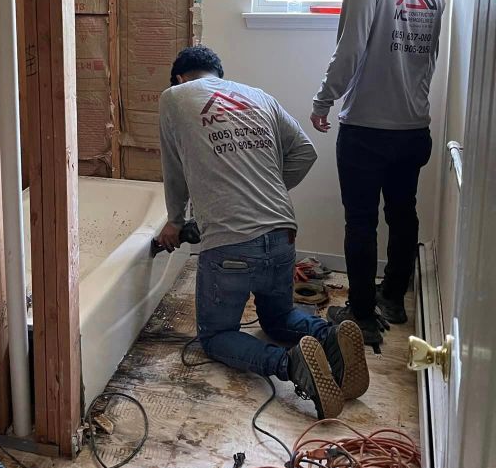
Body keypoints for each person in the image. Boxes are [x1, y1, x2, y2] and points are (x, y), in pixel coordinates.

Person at [158, 45, 369, 421]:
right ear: (218, 74)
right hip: (282, 232)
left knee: (216, 337)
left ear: (179, 78)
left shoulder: (174, 98)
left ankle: (290, 365)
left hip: (231, 245)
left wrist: (175, 220)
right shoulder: (259, 97)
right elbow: (305, 152)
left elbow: (174, 168)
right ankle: (329, 336)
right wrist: (265, 190)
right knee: (279, 317)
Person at [311, 0, 445, 347]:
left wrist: (323, 100)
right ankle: (393, 299)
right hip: (414, 127)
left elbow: (350, 47)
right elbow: (428, 58)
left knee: (361, 221)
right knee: (403, 213)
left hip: (367, 128)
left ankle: (363, 316)